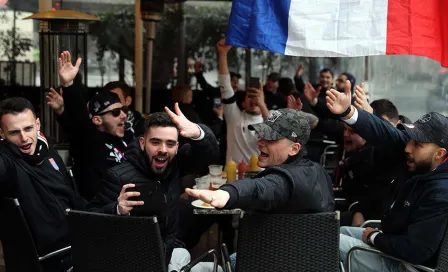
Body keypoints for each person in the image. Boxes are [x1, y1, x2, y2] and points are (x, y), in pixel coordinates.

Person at [326, 81, 448, 271]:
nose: (407, 148)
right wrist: (349, 113)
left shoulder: (440, 193)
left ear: (439, 153)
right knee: (338, 233)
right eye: (410, 140)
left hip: (407, 265)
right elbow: (387, 134)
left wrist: (374, 238)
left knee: (325, 244)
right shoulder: (425, 162)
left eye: (417, 144)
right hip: (389, 240)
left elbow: (416, 250)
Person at [88, 104, 220, 271]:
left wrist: (197, 131)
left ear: (177, 147)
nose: (163, 150)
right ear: (143, 143)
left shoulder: (174, 166)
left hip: (164, 255)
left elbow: (210, 155)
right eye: (156, 142)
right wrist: (116, 209)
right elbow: (86, 222)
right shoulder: (119, 176)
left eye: (170, 143)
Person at [186, 108, 334, 214]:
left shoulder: (285, 181)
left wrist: (227, 194)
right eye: (262, 135)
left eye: (271, 138)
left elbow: (262, 189)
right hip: (312, 254)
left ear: (294, 149)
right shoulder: (316, 170)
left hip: (274, 256)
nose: (260, 142)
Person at [0, 97, 88, 272]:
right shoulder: (7, 160)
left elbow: (73, 198)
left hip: (80, 244)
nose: (24, 138)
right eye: (14, 132)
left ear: (38, 124)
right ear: (2, 134)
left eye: (28, 128)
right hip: (50, 259)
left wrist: (112, 209)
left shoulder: (49, 152)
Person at [47, 51, 128, 200]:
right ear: (97, 120)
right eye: (116, 112)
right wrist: (69, 86)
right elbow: (80, 123)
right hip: (102, 213)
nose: (124, 115)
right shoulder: (91, 142)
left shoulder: (125, 138)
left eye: (124, 110)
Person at [217, 39, 270, 164]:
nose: (254, 100)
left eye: (257, 97)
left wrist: (262, 105)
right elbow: (226, 88)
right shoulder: (234, 117)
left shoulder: (269, 119)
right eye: (250, 96)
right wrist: (223, 54)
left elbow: (276, 135)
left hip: (259, 179)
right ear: (243, 103)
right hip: (233, 178)